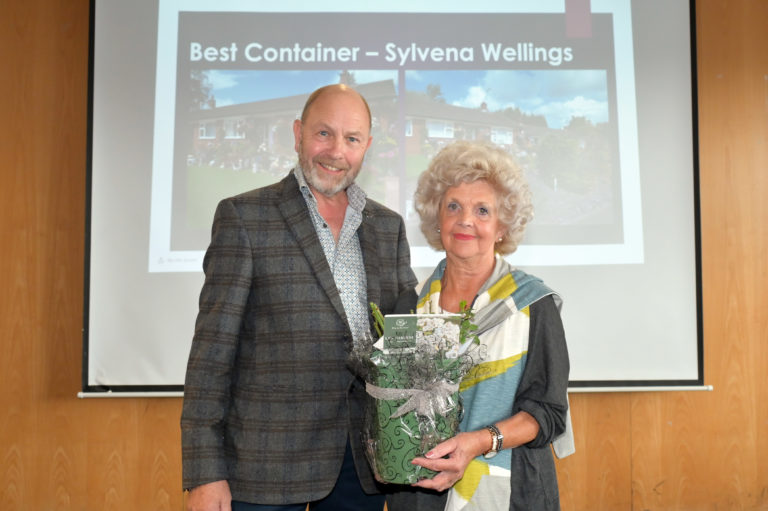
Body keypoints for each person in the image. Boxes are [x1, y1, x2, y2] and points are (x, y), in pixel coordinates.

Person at [181, 84, 418, 511]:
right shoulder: (244, 217)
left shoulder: (388, 227)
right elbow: (211, 356)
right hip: (263, 465)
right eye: (323, 134)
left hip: (361, 468)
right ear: (297, 134)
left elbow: (403, 345)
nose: (336, 151)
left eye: (352, 138)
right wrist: (204, 472)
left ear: (367, 146)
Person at [386, 140, 573, 511]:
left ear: (502, 227)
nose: (465, 220)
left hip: (511, 493)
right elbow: (396, 408)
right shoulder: (410, 306)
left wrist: (476, 442)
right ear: (436, 218)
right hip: (422, 496)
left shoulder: (533, 305)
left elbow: (549, 414)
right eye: (453, 206)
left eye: (482, 210)